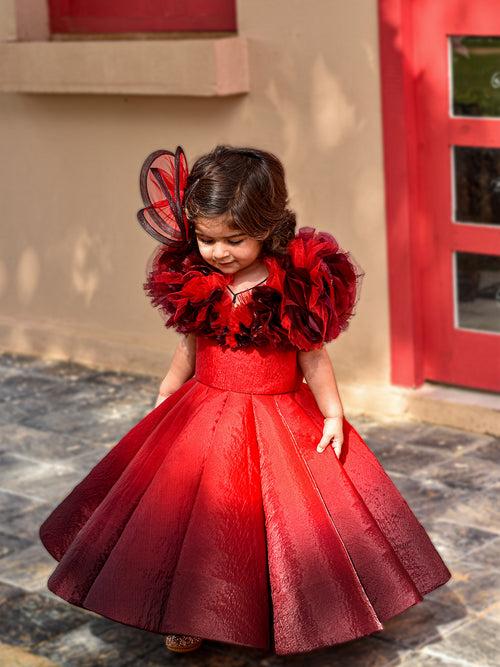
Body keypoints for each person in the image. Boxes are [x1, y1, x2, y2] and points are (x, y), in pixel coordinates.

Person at [38, 145, 451, 657]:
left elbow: (313, 357)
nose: (219, 251)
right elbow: (189, 343)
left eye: (235, 239)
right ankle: (185, 610)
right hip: (202, 417)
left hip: (276, 420)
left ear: (269, 228)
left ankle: (286, 612)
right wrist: (168, 391)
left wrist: (333, 414)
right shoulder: (198, 277)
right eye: (208, 239)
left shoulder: (291, 286)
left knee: (271, 523)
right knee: (194, 522)